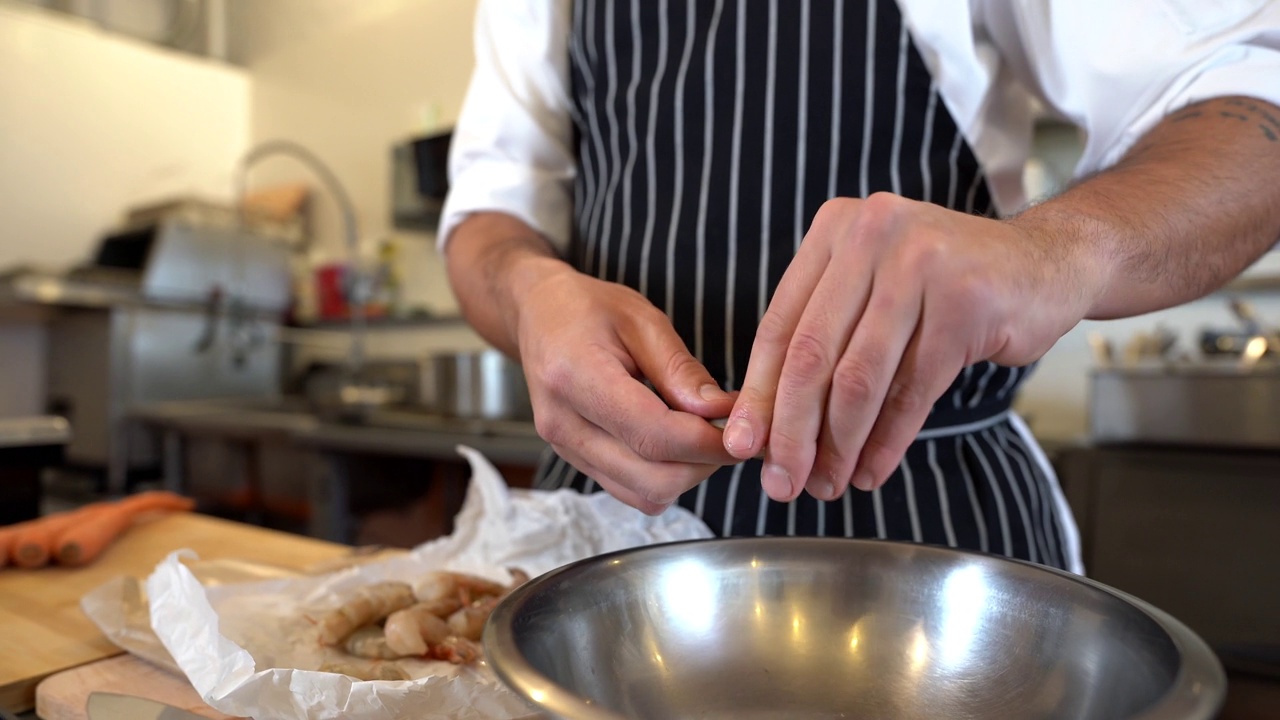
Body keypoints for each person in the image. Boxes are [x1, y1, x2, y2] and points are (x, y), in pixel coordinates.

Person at [437, 0, 1280, 574]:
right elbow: (490, 211)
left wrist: (1054, 252)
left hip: (928, 523)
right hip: (610, 518)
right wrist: (527, 289)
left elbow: (1246, 100)